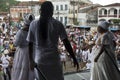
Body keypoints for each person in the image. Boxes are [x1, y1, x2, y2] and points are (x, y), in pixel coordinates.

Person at [27, 1, 79, 80]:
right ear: (52, 11)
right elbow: (66, 43)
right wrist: (74, 58)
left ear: (41, 11)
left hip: (40, 60)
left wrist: (31, 60)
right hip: (54, 60)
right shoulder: (58, 24)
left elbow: (30, 44)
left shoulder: (33, 24)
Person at [11, 13, 35, 80]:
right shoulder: (34, 31)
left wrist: (13, 42)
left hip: (22, 52)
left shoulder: (21, 32)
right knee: (30, 71)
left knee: (21, 71)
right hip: (33, 52)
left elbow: (16, 43)